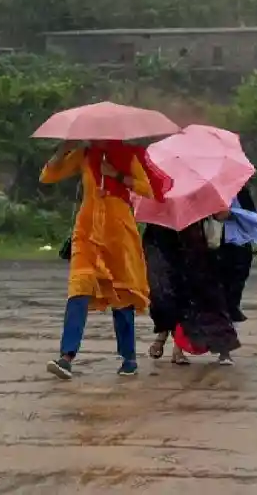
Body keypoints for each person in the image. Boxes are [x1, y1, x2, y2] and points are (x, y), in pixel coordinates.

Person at [40, 140, 172, 380]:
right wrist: (62, 150)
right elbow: (48, 176)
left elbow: (148, 188)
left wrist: (117, 175)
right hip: (87, 231)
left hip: (118, 233)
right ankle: (66, 357)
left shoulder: (129, 156)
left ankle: (128, 358)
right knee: (78, 290)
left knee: (121, 295)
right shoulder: (85, 154)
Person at [145, 214, 242, 366]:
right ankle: (167, 341)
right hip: (165, 245)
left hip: (195, 248)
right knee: (167, 298)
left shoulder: (196, 198)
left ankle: (222, 349)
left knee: (208, 299)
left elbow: (221, 214)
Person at [219, 185, 257, 322]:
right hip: (212, 242)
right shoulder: (203, 191)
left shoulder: (241, 191)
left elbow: (253, 216)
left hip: (238, 242)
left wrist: (232, 214)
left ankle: (232, 309)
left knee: (237, 279)